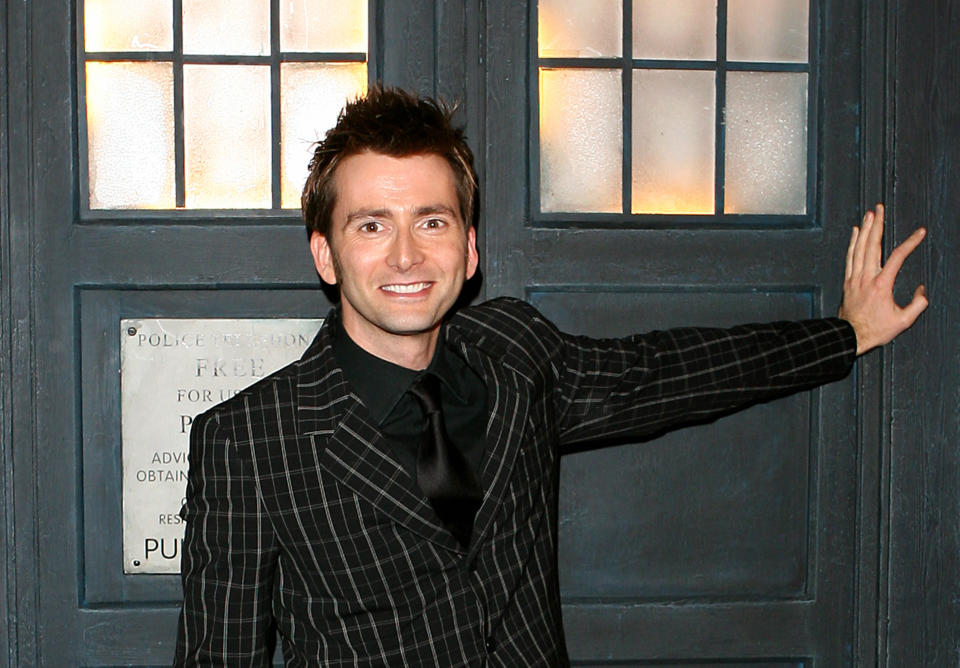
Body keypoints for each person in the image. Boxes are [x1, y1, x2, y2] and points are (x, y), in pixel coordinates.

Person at [174, 86, 927, 666]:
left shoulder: (516, 356)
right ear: (325, 255)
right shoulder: (247, 441)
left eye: (431, 222)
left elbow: (665, 375)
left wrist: (846, 334)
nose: (406, 256)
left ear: (469, 251)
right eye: (372, 225)